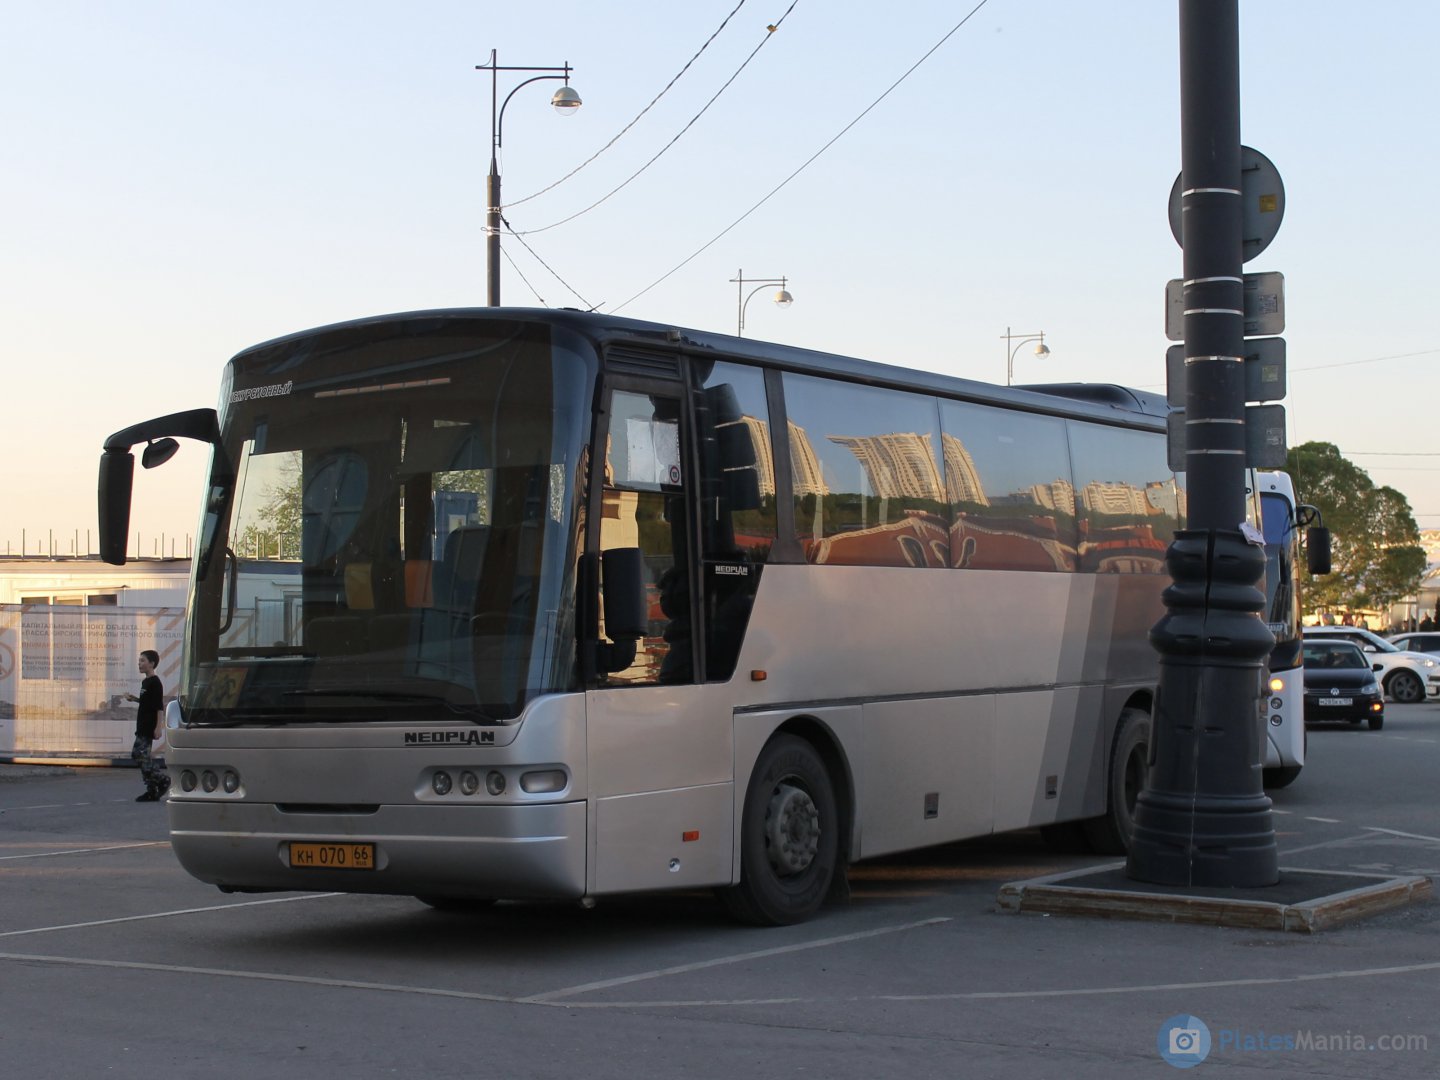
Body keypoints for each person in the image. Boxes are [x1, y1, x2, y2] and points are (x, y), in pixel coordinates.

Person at [125, 649, 169, 802]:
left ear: (152, 663)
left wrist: (158, 727)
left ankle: (161, 780)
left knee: (140, 755)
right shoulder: (145, 682)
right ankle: (152, 788)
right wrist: (134, 699)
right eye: (139, 660)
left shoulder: (155, 683)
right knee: (138, 755)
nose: (140, 663)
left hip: (149, 725)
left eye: (143, 660)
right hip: (142, 724)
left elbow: (158, 707)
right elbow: (147, 702)